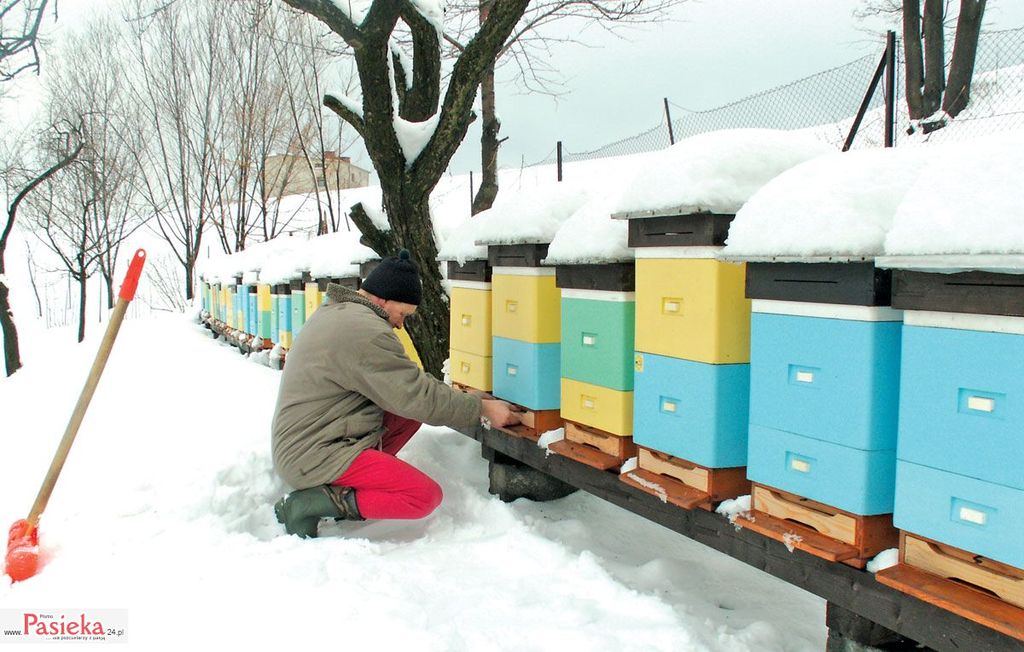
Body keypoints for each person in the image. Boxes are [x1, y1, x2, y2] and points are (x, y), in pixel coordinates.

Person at [271, 249, 520, 538]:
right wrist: (483, 410)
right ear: (382, 299)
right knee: (422, 496)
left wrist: (470, 399)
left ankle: (347, 489)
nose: (401, 323)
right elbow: (416, 396)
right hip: (314, 455)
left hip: (310, 441)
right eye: (402, 313)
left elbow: (408, 386)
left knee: (407, 413)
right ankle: (310, 503)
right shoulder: (366, 332)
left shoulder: (342, 313)